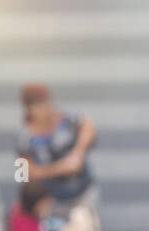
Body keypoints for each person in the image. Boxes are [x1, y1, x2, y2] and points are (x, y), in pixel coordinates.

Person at [16, 84, 99, 222]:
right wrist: (59, 168)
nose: (46, 109)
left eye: (47, 103)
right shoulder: (24, 137)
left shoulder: (66, 118)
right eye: (40, 106)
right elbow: (23, 173)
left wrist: (78, 153)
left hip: (83, 190)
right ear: (30, 109)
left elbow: (87, 125)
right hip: (54, 201)